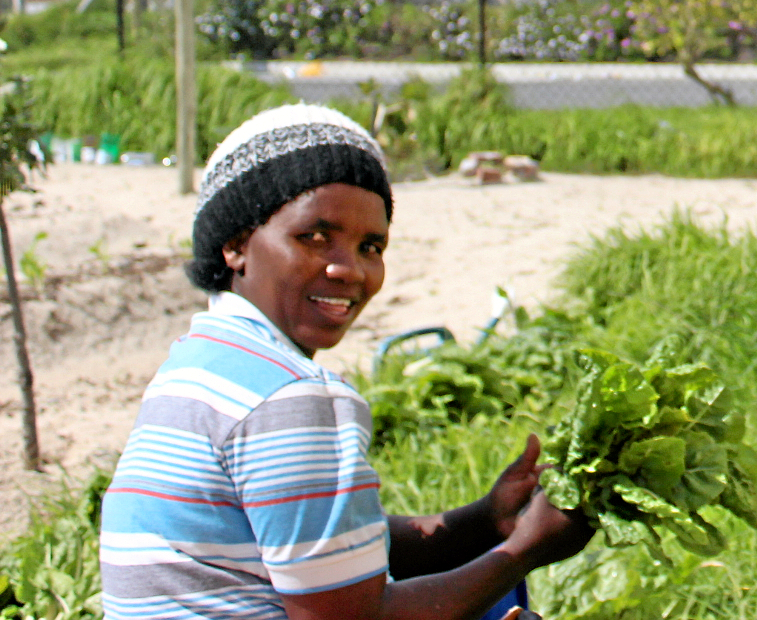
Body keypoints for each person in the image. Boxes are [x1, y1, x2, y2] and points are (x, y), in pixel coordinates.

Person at [100, 104, 593, 620]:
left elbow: (323, 548)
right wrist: (525, 552)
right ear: (236, 244)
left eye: (371, 246)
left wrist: (486, 521)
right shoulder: (289, 396)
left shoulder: (199, 362)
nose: (348, 269)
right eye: (314, 236)